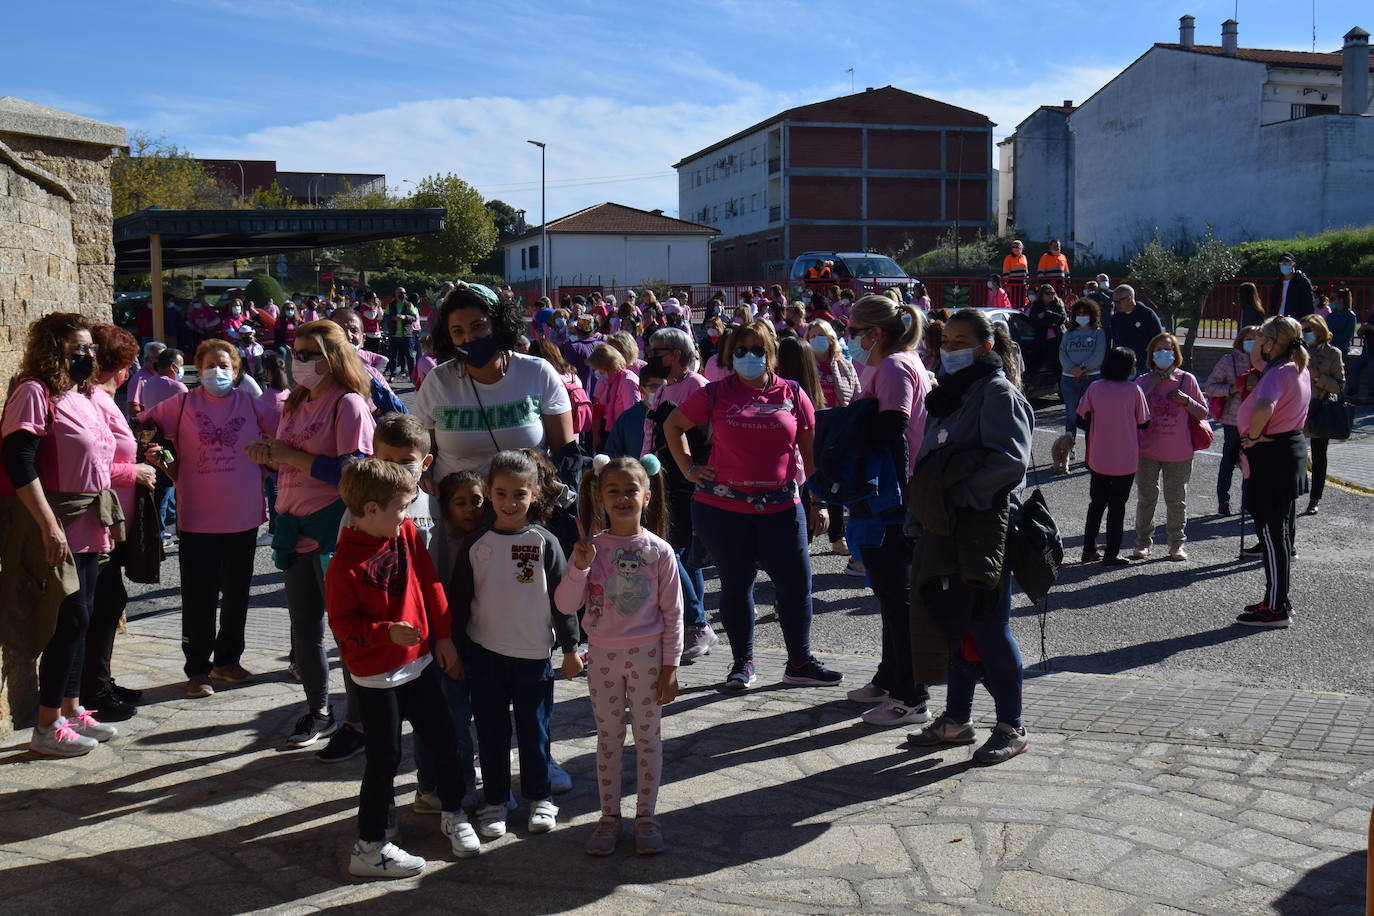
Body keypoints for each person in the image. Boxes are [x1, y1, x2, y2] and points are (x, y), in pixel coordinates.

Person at [664, 320, 841, 691]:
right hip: (723, 509)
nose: (749, 357)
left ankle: (800, 662)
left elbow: (810, 457)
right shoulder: (714, 393)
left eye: (757, 350)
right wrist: (689, 468)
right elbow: (673, 426)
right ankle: (742, 662)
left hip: (782, 506)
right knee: (735, 585)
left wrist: (818, 502)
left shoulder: (792, 394)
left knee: (796, 586)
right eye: (741, 351)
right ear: (730, 355)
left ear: (771, 353)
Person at [326, 459, 479, 876]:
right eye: (400, 506)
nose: (407, 514)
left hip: (421, 663)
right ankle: (369, 848)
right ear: (370, 510)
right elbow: (342, 625)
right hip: (376, 677)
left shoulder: (406, 533)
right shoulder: (343, 564)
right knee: (385, 759)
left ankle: (453, 812)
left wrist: (442, 635)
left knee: (445, 739)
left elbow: (430, 581)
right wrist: (385, 633)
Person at [906, 309, 1033, 764]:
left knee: (989, 627)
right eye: (946, 340)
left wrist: (956, 497)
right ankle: (957, 720)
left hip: (983, 529)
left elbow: (1010, 462)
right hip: (945, 529)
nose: (951, 348)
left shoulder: (998, 394)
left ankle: (1011, 725)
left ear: (986, 347)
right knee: (955, 625)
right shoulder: (950, 396)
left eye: (962, 341)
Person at [246, 320, 376, 747]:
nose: (296, 362)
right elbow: (290, 460)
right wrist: (269, 457)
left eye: (307, 355)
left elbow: (354, 472)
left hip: (333, 531)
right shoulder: (295, 402)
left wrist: (290, 456)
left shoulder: (348, 405)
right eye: (294, 353)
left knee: (345, 632)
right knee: (304, 629)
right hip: (293, 528)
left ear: (332, 357)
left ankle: (357, 722)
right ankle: (318, 710)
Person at [1, 313, 121, 756]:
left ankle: (71, 708)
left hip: (89, 523)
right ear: (54, 350)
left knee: (82, 619)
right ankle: (46, 723)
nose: (87, 356)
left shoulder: (81, 394)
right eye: (78, 349)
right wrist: (48, 524)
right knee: (66, 621)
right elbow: (19, 460)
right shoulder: (34, 392)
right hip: (59, 522)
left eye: (90, 349)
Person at [448, 450, 583, 840]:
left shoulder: (545, 542)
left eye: (519, 494)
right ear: (489, 493)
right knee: (490, 733)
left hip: (533, 656)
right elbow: (458, 602)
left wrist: (571, 647)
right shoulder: (476, 544)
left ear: (535, 494)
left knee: (534, 730)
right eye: (502, 493)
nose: (510, 502)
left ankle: (540, 798)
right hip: (484, 655)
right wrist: (456, 649)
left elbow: (563, 599)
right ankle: (495, 801)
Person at [558, 455, 682, 856]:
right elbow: (564, 603)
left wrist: (671, 667)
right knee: (609, 739)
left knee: (648, 738)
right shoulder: (590, 549)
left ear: (647, 496)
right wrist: (578, 568)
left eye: (631, 490)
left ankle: (646, 816)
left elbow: (673, 614)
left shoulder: (659, 551)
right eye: (613, 491)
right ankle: (608, 816)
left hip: (647, 658)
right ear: (600, 497)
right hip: (603, 660)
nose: (623, 497)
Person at [143, 339, 280, 697]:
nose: (216, 372)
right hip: (197, 518)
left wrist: (270, 456)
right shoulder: (183, 402)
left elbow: (284, 437)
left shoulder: (252, 404)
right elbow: (143, 430)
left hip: (243, 517)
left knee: (237, 594)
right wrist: (165, 464)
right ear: (197, 369)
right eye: (209, 365)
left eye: (225, 365)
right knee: (198, 596)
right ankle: (198, 670)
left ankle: (228, 660)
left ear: (236, 371)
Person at [841, 294, 931, 725]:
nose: (849, 338)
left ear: (875, 333)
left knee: (898, 597)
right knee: (889, 593)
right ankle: (889, 677)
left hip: (891, 498)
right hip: (884, 496)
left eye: (854, 330)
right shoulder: (892, 363)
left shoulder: (895, 366)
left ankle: (910, 695)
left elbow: (894, 428)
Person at [416, 283, 573, 487]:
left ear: (498, 325)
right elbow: (419, 455)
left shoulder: (538, 372)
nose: (468, 338)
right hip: (455, 513)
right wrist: (424, 477)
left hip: (527, 509)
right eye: (457, 331)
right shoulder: (438, 381)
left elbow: (566, 455)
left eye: (478, 326)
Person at [83, 324, 157, 721]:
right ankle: (94, 689)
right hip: (101, 520)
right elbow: (95, 465)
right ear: (121, 366)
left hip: (114, 519)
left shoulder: (103, 397)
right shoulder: (96, 398)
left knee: (110, 602)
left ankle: (102, 682)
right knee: (104, 604)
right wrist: (136, 470)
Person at [641, 326, 716, 662]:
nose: (650, 357)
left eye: (656, 351)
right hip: (663, 479)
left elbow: (706, 437)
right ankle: (692, 625)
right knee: (684, 556)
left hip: (687, 482)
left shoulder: (696, 386)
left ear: (674, 354)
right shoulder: (664, 389)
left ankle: (698, 623)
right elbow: (652, 431)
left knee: (673, 553)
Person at [413, 469, 486, 812]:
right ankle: (442, 785)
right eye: (461, 503)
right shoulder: (439, 541)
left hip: (477, 640)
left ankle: (461, 779)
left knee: (468, 714)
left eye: (476, 501)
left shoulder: (486, 537)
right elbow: (438, 598)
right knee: (449, 716)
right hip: (443, 642)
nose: (470, 509)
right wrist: (447, 645)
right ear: (445, 508)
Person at [1236, 317, 1311, 628]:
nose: (1258, 344)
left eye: (1262, 338)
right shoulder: (1296, 368)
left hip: (1271, 457)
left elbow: (1265, 405)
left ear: (1272, 342)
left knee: (1271, 534)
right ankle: (1277, 598)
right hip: (1285, 452)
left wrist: (1252, 436)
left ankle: (1277, 607)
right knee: (1276, 533)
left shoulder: (1278, 373)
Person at [1129, 333, 1207, 562]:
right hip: (1146, 450)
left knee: (1176, 499)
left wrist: (1187, 401)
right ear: (1152, 354)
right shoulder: (1142, 380)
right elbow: (1131, 410)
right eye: (1159, 350)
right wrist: (1149, 386)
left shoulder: (1187, 380)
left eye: (1169, 349)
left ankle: (1176, 544)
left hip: (1179, 451)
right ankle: (1142, 543)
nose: (1164, 353)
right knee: (1146, 498)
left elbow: (1203, 413)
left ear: (1176, 353)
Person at [1077, 348, 1150, 566]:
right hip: (1125, 457)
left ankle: (1088, 549)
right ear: (1128, 367)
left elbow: (1081, 417)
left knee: (1096, 503)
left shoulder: (1095, 387)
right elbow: (1144, 422)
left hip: (1098, 455)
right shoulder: (1134, 390)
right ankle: (1112, 553)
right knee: (1117, 506)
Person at [1204, 326, 1260, 516]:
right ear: (1240, 340)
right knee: (1228, 462)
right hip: (1232, 421)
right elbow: (1210, 387)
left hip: (1257, 422)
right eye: (1248, 338)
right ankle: (1223, 500)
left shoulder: (1266, 362)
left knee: (1252, 465)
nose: (1252, 341)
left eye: (1256, 338)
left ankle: (1249, 501)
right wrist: (1233, 389)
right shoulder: (1228, 361)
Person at [1055, 298, 1108, 473]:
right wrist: (1073, 369)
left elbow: (1098, 355)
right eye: (1079, 313)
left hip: (1091, 378)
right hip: (1069, 379)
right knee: (1071, 414)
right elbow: (1062, 354)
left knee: (1090, 417)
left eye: (1085, 313)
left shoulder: (1098, 333)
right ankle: (1068, 449)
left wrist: (1083, 368)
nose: (1082, 316)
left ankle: (1092, 451)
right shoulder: (1068, 333)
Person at [1301, 315, 1345, 516]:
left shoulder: (1333, 354)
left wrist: (1317, 377)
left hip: (1319, 409)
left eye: (1308, 329)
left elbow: (1339, 386)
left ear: (1319, 329)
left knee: (1319, 457)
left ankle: (1314, 498)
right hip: (1296, 409)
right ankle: (1287, 496)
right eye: (1303, 329)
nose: (1305, 333)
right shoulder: (1297, 350)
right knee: (1291, 455)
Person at [605, 360, 666, 459]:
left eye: (663, 386)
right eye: (654, 386)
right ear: (641, 390)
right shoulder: (628, 418)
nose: (659, 390)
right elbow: (612, 453)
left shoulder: (674, 414)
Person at [589, 344, 640, 452]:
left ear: (608, 366)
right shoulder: (612, 380)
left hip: (622, 437)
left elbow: (633, 415)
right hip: (611, 432)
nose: (597, 372)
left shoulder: (627, 381)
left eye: (599, 369)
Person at [1108, 285, 1163, 370]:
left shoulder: (1147, 315)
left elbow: (1158, 339)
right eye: (1114, 301)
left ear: (1129, 298)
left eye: (1118, 302)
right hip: (1122, 366)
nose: (1115, 305)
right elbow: (1115, 340)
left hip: (1143, 365)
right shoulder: (1116, 317)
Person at [387, 289, 420, 380]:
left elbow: (414, 317)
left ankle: (412, 376)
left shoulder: (409, 305)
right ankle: (392, 374)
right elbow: (386, 317)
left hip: (407, 334)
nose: (403, 294)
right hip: (394, 335)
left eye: (404, 293)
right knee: (393, 356)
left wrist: (405, 317)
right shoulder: (390, 305)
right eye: (400, 293)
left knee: (410, 356)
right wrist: (393, 318)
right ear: (395, 294)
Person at [127, 340, 166, 415]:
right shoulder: (139, 380)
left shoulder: (163, 376)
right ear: (147, 359)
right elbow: (133, 409)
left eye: (163, 358)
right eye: (157, 358)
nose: (161, 361)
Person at [1273, 253, 1314, 320]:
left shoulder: (1302, 282)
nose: (1283, 265)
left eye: (1287, 263)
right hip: (1278, 321)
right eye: (1281, 263)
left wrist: (1305, 321)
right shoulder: (1277, 283)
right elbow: (1273, 305)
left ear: (1294, 264)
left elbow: (1308, 305)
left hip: (1294, 322)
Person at [1327, 288, 1357, 355]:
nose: (1330, 302)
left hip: (1341, 349)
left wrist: (1329, 338)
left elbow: (1346, 336)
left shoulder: (1350, 316)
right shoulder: (1330, 315)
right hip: (1328, 347)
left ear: (1341, 300)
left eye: (1333, 299)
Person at [1001, 241, 1029, 307]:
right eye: (1014, 247)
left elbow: (1026, 272)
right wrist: (1007, 285)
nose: (1016, 248)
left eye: (1018, 246)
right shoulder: (1008, 258)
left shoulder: (1024, 257)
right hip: (1012, 284)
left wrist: (1027, 283)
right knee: (1013, 303)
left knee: (1022, 303)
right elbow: (1005, 273)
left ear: (1022, 248)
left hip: (1022, 284)